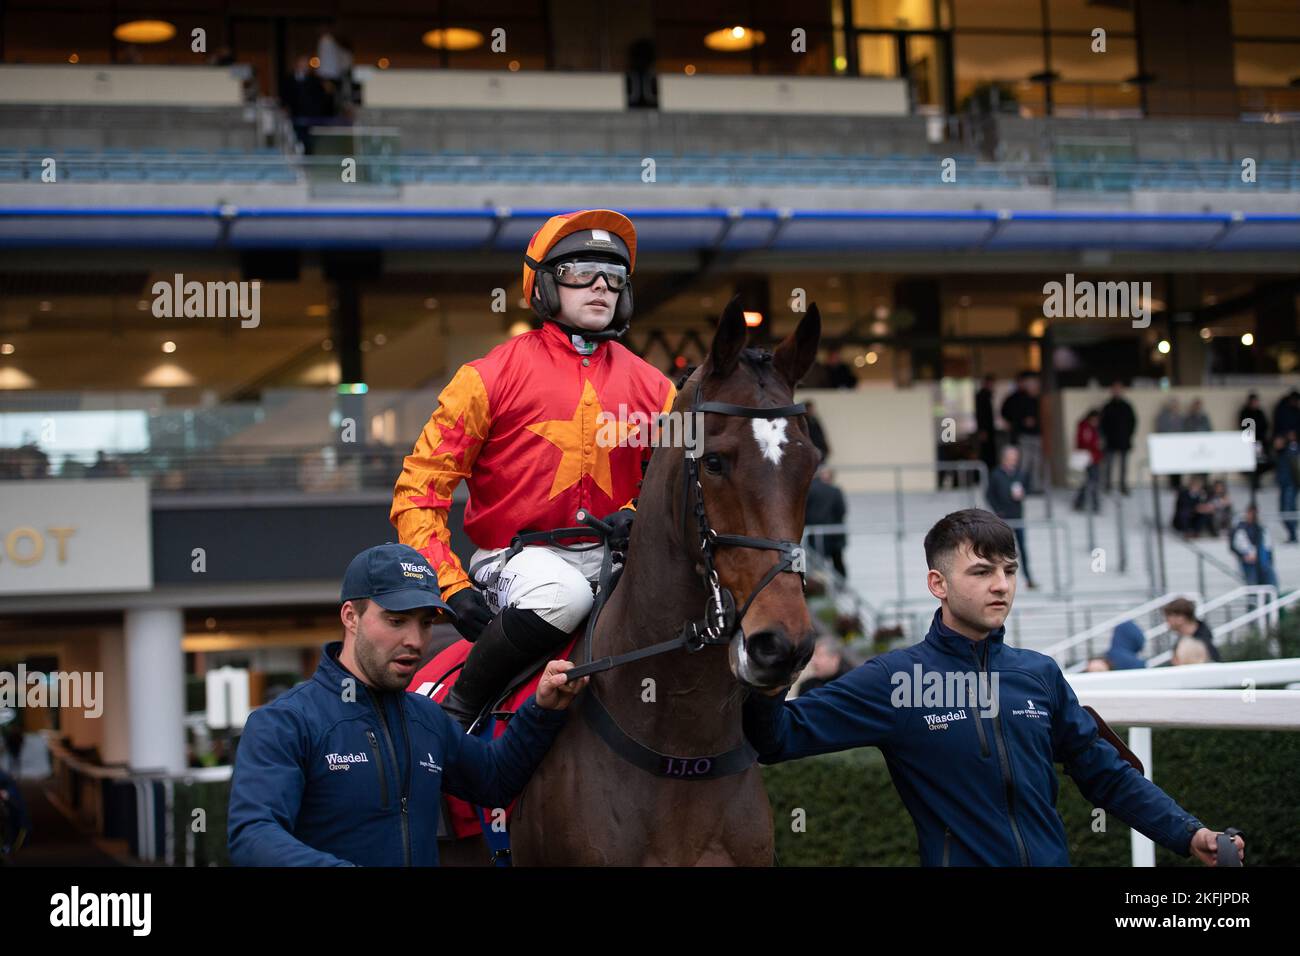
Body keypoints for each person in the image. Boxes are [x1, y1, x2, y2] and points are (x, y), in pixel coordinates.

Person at [742, 508, 1244, 867]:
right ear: (937, 583)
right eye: (981, 572)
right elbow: (780, 738)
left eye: (1009, 571)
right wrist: (767, 675)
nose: (1001, 585)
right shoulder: (895, 680)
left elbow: (1105, 774)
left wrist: (1188, 832)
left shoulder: (1039, 674)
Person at [391, 209, 675, 728]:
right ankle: (457, 715)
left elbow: (675, 485)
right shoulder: (483, 379)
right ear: (544, 285)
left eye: (613, 277)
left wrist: (638, 510)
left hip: (620, 562)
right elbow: (417, 495)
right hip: (519, 561)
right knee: (562, 596)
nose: (599, 286)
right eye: (579, 271)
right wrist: (451, 587)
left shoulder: (658, 389)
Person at [226, 543, 587, 866]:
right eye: (396, 621)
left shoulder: (426, 717)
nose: (415, 640)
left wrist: (542, 709)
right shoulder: (285, 721)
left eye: (425, 623)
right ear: (350, 617)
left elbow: (494, 780)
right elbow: (252, 835)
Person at [986, 445, 1035, 589]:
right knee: (1002, 550)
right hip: (1003, 518)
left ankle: (1028, 578)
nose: (1013, 460)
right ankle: (1000, 580)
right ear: (1004, 458)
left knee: (1022, 548)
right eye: (1011, 457)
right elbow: (989, 495)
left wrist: (1023, 493)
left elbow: (1028, 488)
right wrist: (998, 510)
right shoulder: (996, 474)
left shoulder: (1020, 473)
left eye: (1015, 457)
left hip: (1018, 516)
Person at [999, 372, 1042, 494]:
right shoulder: (1014, 398)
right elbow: (1005, 414)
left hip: (1036, 435)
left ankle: (1035, 487)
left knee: (1036, 463)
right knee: (1023, 463)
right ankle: (1020, 487)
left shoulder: (1037, 399)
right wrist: (1016, 423)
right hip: (1022, 436)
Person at [805, 466, 847, 577]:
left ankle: (818, 585)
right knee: (837, 562)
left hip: (813, 534)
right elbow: (841, 511)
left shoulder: (808, 490)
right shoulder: (835, 491)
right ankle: (840, 586)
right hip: (833, 535)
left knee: (815, 564)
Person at [1099, 381, 1135, 495]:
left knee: (1123, 466)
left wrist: (1128, 435)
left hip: (1124, 440)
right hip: (1110, 441)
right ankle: (1107, 486)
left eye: (1119, 389)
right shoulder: (1107, 406)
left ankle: (1123, 485)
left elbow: (1132, 422)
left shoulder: (1127, 406)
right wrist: (1104, 436)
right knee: (1108, 465)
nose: (1117, 392)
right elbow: (1102, 423)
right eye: (1115, 389)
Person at [1229, 504, 1278, 588]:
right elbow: (1234, 546)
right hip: (1249, 563)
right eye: (1251, 513)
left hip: (1263, 561)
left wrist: (1269, 559)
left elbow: (1268, 546)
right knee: (1252, 585)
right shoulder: (1240, 528)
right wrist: (1243, 556)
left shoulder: (1261, 528)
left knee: (1270, 585)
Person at [1161, 597, 1221, 663]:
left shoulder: (1203, 643)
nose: (1167, 622)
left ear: (1181, 618)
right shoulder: (1183, 639)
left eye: (1168, 618)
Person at [1274, 400, 1299, 544]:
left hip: (1291, 483)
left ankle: (1293, 535)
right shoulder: (1282, 452)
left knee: (1289, 509)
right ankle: (1291, 534)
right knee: (1283, 510)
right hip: (1284, 483)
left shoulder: (1294, 450)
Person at [1239, 392, 1270, 494]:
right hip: (1249, 443)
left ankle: (1257, 480)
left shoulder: (1260, 412)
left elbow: (1265, 426)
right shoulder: (1245, 412)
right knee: (1250, 463)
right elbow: (1244, 427)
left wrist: (1260, 440)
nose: (1256, 403)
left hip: (1260, 443)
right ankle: (1253, 481)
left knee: (1262, 462)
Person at [1072, 408, 1102, 513]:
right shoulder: (1085, 428)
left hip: (1094, 457)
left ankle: (1085, 503)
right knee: (1090, 481)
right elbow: (1084, 442)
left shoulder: (1095, 428)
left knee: (1091, 481)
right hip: (1087, 458)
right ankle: (1088, 503)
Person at [1155, 398, 1184, 489]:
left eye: (1176, 405)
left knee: (1179, 464)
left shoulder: (1180, 417)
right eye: (1173, 405)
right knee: (1170, 464)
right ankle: (1171, 484)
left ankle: (1178, 484)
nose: (1174, 407)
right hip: (1167, 445)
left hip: (1179, 445)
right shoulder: (1162, 417)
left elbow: (1183, 429)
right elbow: (1160, 429)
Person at [974, 374, 997, 478]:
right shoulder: (982, 396)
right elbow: (981, 415)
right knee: (986, 454)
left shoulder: (987, 395)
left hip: (988, 430)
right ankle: (985, 475)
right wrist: (982, 430)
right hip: (985, 431)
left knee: (989, 453)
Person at [803, 399, 830, 463]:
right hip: (810, 449)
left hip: (820, 448)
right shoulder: (803, 421)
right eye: (810, 409)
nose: (812, 410)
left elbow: (821, 434)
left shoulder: (815, 420)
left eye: (812, 408)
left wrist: (826, 447)